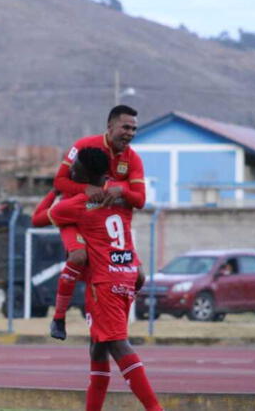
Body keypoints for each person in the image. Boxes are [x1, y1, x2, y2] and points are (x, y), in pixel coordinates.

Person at [33, 147, 162, 411]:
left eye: (76, 165)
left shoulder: (76, 205)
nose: (71, 168)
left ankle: (155, 409)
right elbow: (136, 198)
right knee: (98, 349)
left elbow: (37, 219)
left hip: (104, 282)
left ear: (83, 172)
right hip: (127, 275)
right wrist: (122, 190)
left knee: (117, 344)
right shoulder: (119, 196)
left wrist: (55, 192)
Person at [50, 105, 146, 340]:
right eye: (125, 127)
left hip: (106, 226)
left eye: (134, 129)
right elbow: (60, 182)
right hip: (76, 215)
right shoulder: (84, 146)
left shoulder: (132, 158)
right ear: (110, 126)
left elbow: (141, 199)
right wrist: (86, 189)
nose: (130, 133)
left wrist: (120, 191)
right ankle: (59, 318)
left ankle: (115, 313)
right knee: (78, 257)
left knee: (140, 276)